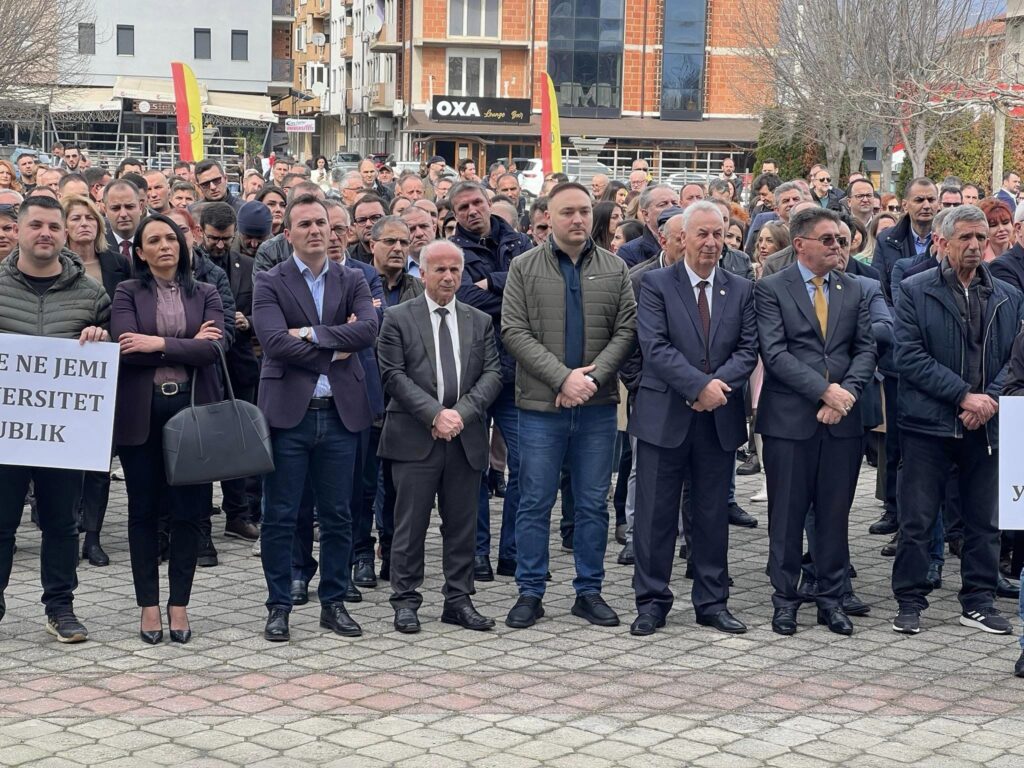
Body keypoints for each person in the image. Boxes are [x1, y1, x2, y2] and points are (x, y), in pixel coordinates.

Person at [500, 182, 637, 629]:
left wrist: (591, 379)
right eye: (567, 213)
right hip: (541, 408)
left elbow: (626, 331)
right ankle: (530, 592)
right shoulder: (523, 267)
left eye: (583, 212)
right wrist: (562, 378)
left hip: (596, 407)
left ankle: (589, 591)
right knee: (535, 501)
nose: (577, 220)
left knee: (593, 503)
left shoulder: (615, 269)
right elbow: (514, 332)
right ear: (549, 217)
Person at [892, 204, 1024, 636]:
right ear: (942, 242)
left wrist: (987, 399)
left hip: (985, 424)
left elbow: (1014, 361)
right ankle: (910, 600)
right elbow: (908, 357)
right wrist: (963, 396)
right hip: (928, 424)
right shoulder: (914, 289)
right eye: (965, 238)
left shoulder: (1007, 295)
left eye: (980, 238)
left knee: (984, 521)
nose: (974, 246)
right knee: (917, 520)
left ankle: (979, 601)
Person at [252, 194, 378, 642]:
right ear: (288, 234)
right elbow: (272, 342)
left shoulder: (354, 278)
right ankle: (279, 606)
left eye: (322, 223)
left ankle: (334, 603)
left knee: (339, 515)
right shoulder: (270, 280)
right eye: (303, 224)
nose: (315, 230)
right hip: (290, 415)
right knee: (281, 514)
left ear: (334, 230)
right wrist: (335, 349)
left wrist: (309, 333)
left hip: (341, 416)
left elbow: (368, 330)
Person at [629, 201, 758, 637]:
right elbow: (655, 346)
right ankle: (651, 602)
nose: (711, 242)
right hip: (665, 415)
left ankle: (712, 602)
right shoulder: (655, 284)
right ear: (682, 238)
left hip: (717, 418)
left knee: (710, 515)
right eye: (702, 234)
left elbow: (747, 348)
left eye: (718, 234)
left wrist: (716, 388)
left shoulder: (740, 287)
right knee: (655, 516)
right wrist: (697, 387)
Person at [755, 207, 877, 637]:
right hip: (790, 420)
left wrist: (844, 397)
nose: (838, 247)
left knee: (834, 514)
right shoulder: (771, 288)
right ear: (800, 244)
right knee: (786, 514)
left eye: (842, 240)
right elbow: (775, 352)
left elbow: (865, 350)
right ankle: (785, 600)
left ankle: (831, 599)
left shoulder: (855, 289)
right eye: (828, 240)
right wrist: (823, 391)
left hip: (842, 421)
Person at [377, 240, 503, 633]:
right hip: (415, 436)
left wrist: (459, 415)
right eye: (440, 270)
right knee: (409, 524)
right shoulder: (398, 318)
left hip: (464, 437)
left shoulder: (478, 321)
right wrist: (434, 414)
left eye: (455, 270)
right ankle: (405, 600)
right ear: (423, 273)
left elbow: (493, 375)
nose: (448, 277)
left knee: (463, 524)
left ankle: (458, 599)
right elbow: (392, 375)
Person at [110, 214, 225, 644]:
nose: (164, 246)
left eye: (171, 238)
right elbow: (125, 345)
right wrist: (187, 345)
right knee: (143, 511)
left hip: (193, 411)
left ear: (183, 246)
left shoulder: (208, 292)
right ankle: (148, 607)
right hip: (143, 413)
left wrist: (156, 343)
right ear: (139, 252)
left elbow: (214, 349)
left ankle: (180, 605)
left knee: (189, 511)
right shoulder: (127, 291)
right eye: (153, 240)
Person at [0, 196, 110, 643]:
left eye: (54, 227)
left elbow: (108, 356)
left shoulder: (92, 293)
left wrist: (100, 337)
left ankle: (60, 607)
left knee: (63, 523)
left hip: (64, 435)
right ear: (19, 231)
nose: (45, 234)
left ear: (65, 234)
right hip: (6, 432)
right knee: (1, 522)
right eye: (36, 226)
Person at [448, 181, 534, 581]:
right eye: (462, 206)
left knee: (524, 466)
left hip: (519, 371)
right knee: (474, 468)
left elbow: (532, 296)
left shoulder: (520, 243)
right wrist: (508, 286)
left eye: (477, 202)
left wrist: (494, 282)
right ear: (454, 213)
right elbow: (463, 300)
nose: (471, 211)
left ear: (490, 203)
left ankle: (512, 551)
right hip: (473, 374)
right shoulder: (454, 253)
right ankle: (477, 552)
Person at [63, 194, 132, 566]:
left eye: (89, 218)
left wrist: (105, 332)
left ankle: (93, 535)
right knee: (67, 461)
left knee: (99, 460)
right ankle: (66, 531)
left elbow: (127, 311)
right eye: (75, 218)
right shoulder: (55, 264)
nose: (84, 224)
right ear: (65, 226)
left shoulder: (117, 264)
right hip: (64, 371)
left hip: (106, 371)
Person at [198, 202, 260, 541]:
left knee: (238, 442)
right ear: (200, 232)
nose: (220, 245)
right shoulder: (191, 265)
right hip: (205, 368)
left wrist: (246, 321)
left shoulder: (248, 266)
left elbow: (263, 310)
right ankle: (203, 517)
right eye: (213, 238)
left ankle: (238, 513)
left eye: (226, 238)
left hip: (240, 365)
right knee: (204, 443)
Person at [873, 178, 938, 303]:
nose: (926, 206)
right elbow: (880, 287)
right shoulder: (886, 240)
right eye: (919, 200)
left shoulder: (949, 239)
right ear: (905, 205)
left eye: (931, 200)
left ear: (938, 203)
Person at [617, 184, 680, 268]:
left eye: (675, 203)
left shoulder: (691, 246)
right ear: (646, 214)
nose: (671, 208)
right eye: (662, 204)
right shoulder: (629, 252)